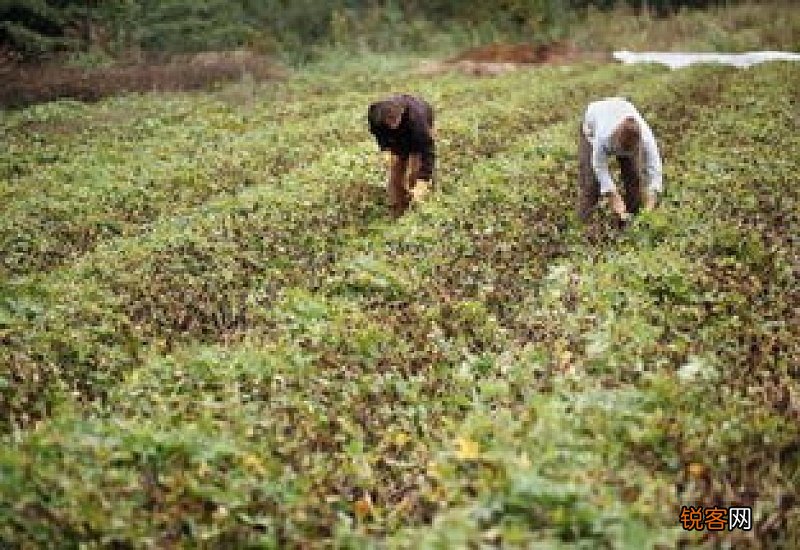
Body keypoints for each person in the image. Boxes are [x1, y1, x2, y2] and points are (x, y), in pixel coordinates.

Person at [578, 97, 663, 224]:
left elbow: (655, 168)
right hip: (591, 127)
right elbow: (599, 166)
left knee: (634, 177)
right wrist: (613, 195)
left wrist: (651, 201)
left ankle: (634, 221)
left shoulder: (645, 137)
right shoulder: (602, 135)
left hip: (621, 107)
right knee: (592, 184)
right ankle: (583, 225)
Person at [368, 94, 436, 217]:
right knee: (395, 171)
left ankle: (417, 208)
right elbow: (377, 131)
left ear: (402, 113)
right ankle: (397, 209)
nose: (392, 123)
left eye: (394, 119)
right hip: (396, 139)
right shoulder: (375, 113)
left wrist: (423, 180)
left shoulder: (418, 120)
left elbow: (428, 151)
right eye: (388, 120)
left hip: (416, 137)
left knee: (415, 173)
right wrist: (385, 149)